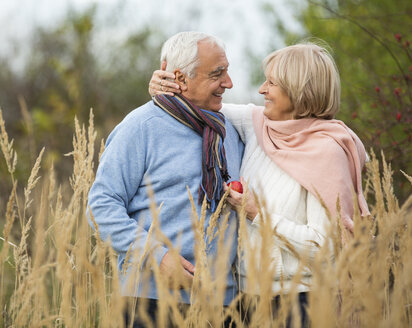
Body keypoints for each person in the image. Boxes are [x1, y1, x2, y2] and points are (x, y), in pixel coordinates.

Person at [149, 41, 370, 326]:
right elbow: (202, 101)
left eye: (272, 83)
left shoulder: (327, 152)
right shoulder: (259, 125)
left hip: (301, 303)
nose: (262, 89)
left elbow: (325, 247)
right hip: (246, 302)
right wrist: (164, 86)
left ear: (300, 89)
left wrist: (257, 214)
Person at [88, 31, 244, 327]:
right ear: (180, 78)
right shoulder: (140, 127)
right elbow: (100, 206)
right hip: (152, 302)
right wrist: (155, 256)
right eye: (217, 74)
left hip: (225, 306)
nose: (229, 83)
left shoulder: (231, 131)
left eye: (227, 71)